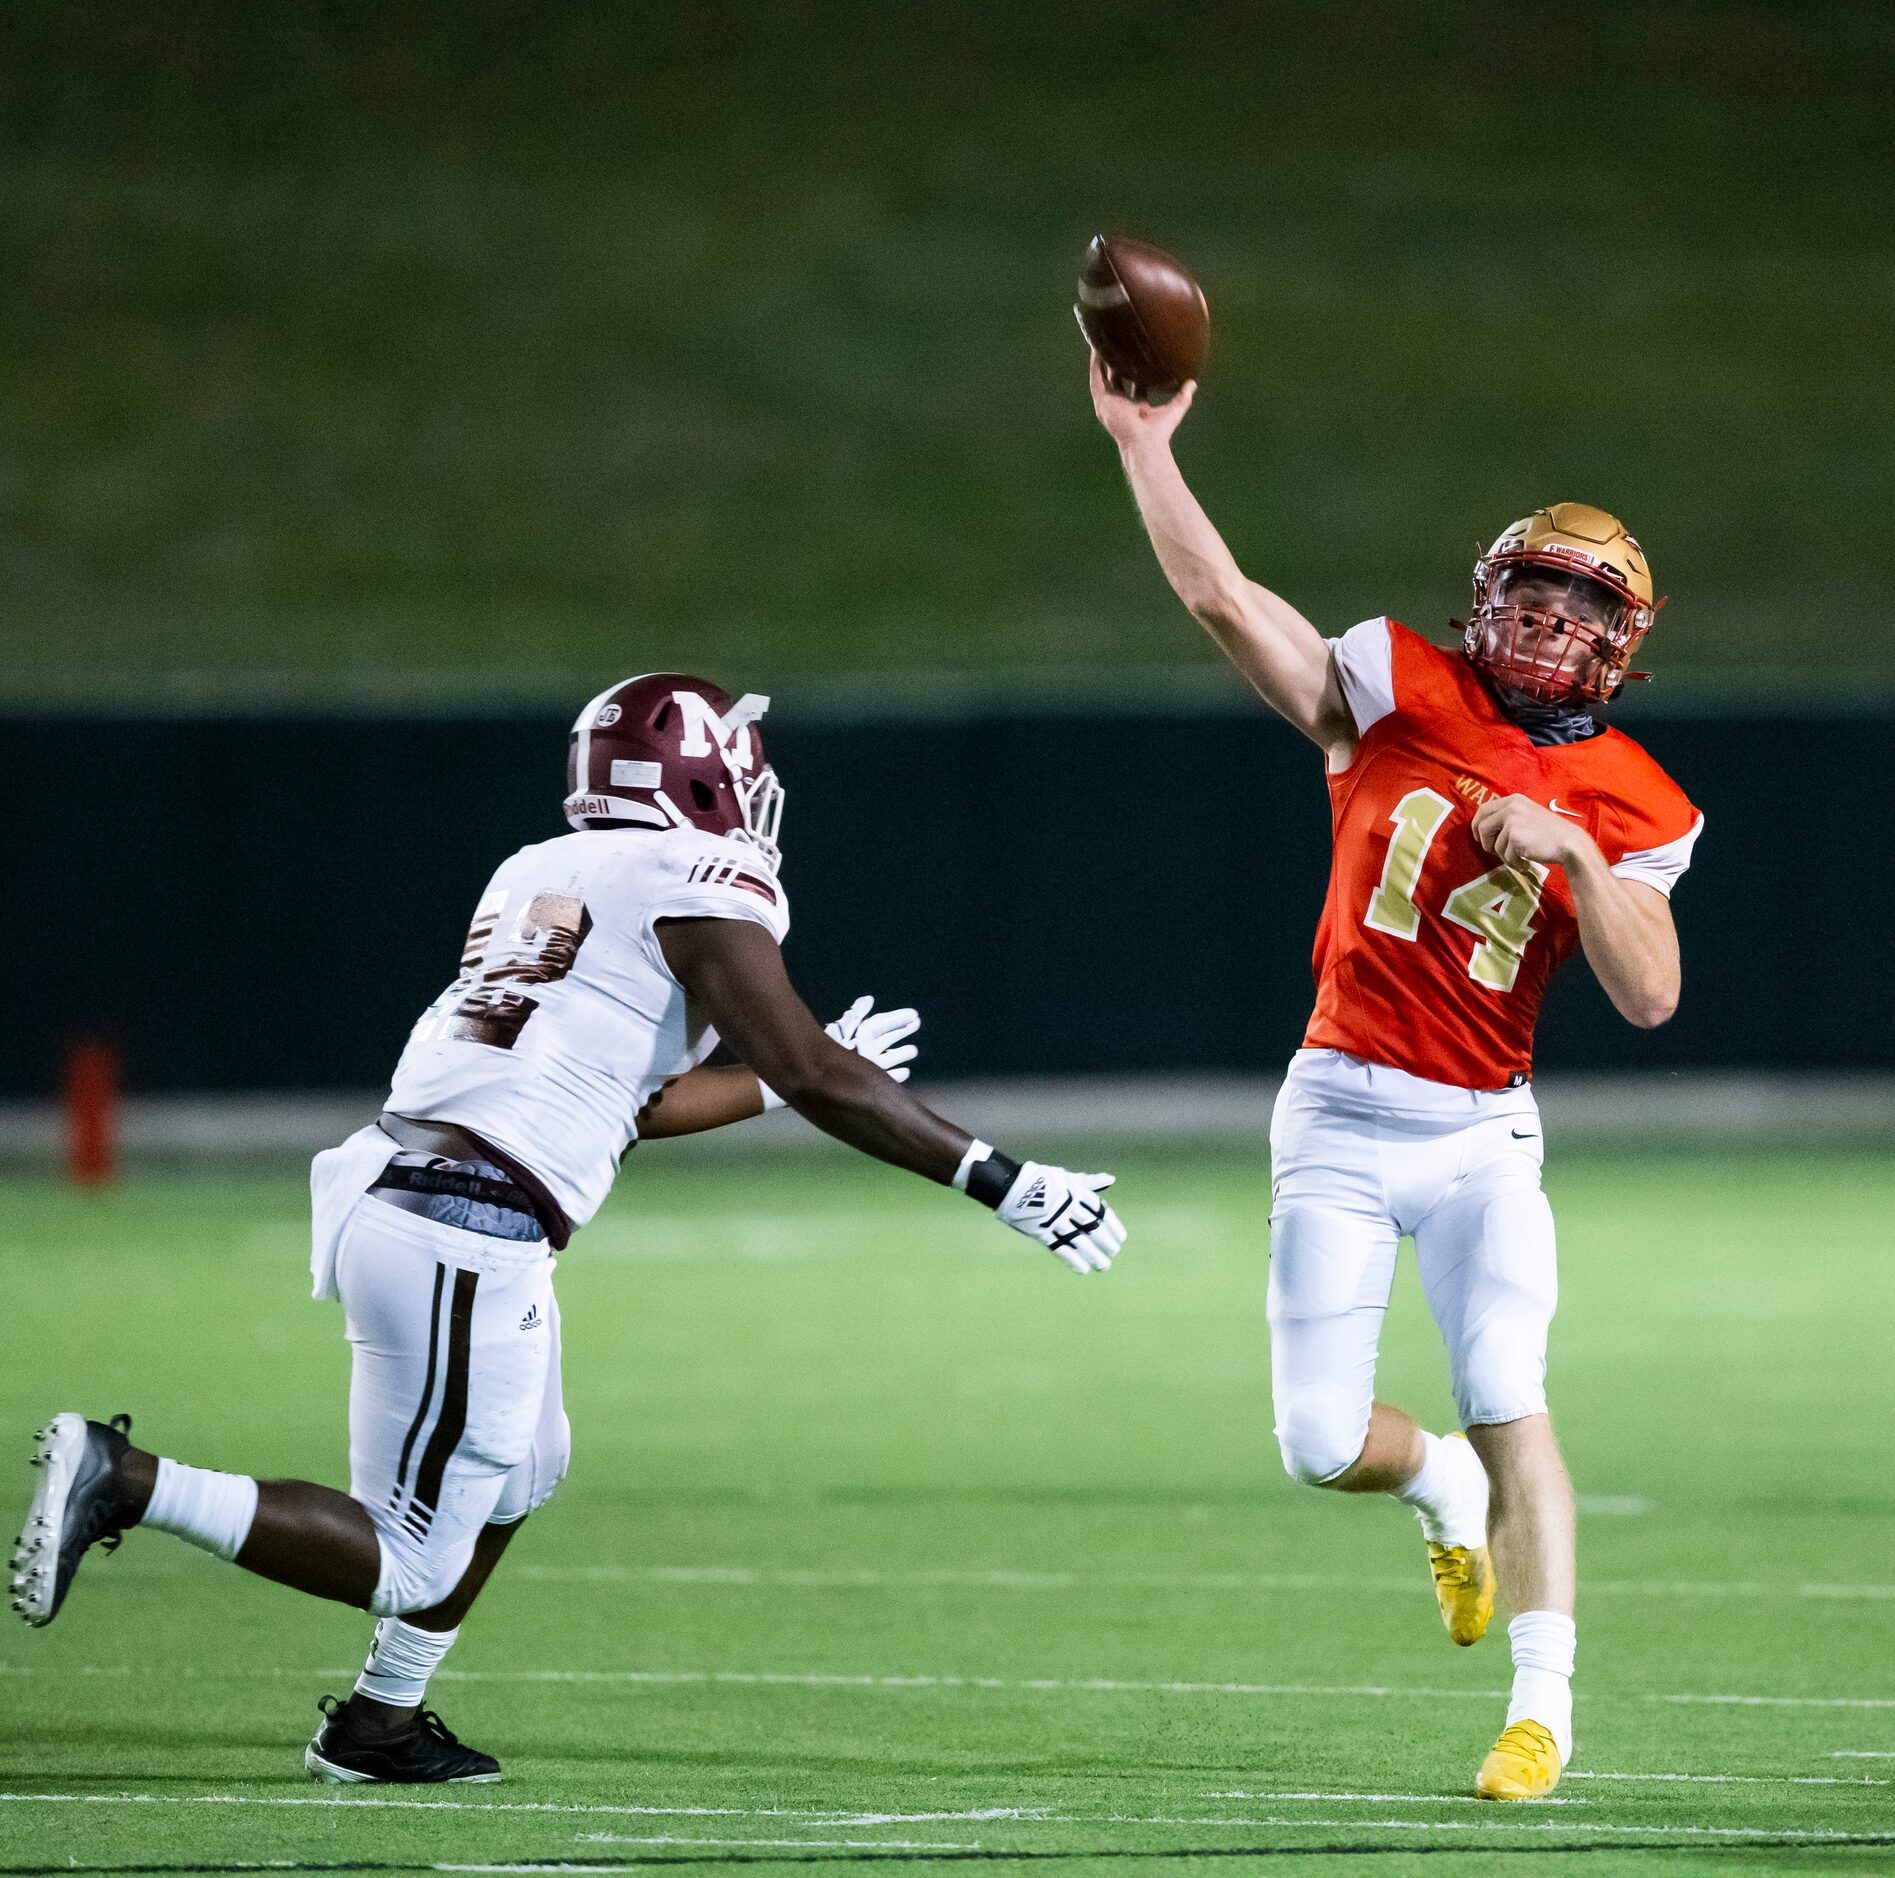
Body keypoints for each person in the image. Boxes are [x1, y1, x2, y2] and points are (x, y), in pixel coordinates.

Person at [12, 672, 1126, 1785]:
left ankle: (379, 1726)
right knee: (405, 1558)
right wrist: (1004, 1182)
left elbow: (632, 1104)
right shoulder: (700, 873)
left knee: (523, 1472)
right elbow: (812, 1070)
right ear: (694, 771)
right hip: (466, 1227)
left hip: (422, 1196)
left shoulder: (540, 869)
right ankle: (130, 1477)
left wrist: (789, 1084)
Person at [1090, 356, 1701, 1801]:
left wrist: (1565, 850)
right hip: (1337, 1105)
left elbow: (1650, 987)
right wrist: (1141, 443)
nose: (1549, 626)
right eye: (1532, 599)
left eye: (1580, 611)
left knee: (1512, 1388)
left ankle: (1538, 1712)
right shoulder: (1387, 686)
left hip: (1483, 1133)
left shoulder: (1634, 796)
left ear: (1619, 643)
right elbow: (1221, 599)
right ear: (1486, 600)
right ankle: (1438, 1484)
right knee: (1314, 1442)